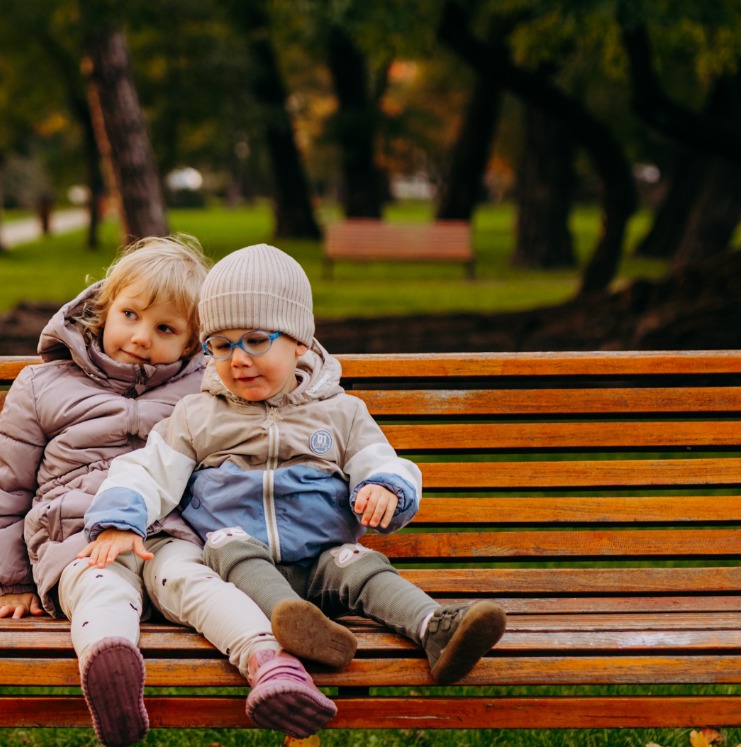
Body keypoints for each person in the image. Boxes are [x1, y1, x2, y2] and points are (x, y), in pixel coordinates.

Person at [79, 243, 507, 686]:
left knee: (364, 566)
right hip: (240, 562)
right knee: (230, 547)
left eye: (257, 341)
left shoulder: (341, 413)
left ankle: (435, 627)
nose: (238, 359)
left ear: (300, 341)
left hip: (323, 559)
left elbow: (384, 462)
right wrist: (120, 519)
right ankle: (295, 623)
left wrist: (385, 488)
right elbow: (147, 470)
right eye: (221, 346)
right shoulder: (197, 415)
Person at [0, 236, 334, 747]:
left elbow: (275, 405)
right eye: (130, 314)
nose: (141, 337)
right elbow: (4, 486)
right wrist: (7, 582)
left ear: (191, 343)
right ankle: (111, 664)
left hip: (169, 533)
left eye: (165, 328)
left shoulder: (207, 390)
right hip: (77, 535)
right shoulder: (43, 385)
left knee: (196, 583)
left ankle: (270, 665)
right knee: (103, 586)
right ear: (103, 310)